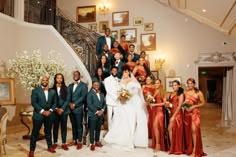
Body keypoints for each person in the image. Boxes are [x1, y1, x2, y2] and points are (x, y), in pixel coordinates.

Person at [104, 65, 148, 150]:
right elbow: (119, 92)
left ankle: (131, 139)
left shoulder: (133, 81)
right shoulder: (121, 81)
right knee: (121, 120)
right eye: (124, 72)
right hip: (122, 103)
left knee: (131, 120)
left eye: (127, 71)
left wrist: (127, 97)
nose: (125, 73)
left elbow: (135, 92)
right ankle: (120, 138)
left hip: (131, 103)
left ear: (129, 72)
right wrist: (121, 98)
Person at [28, 76, 57, 157]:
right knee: (35, 133)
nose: (44, 81)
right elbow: (34, 103)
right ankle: (32, 150)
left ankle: (50, 147)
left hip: (49, 115)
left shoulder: (53, 91)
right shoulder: (35, 91)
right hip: (38, 115)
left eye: (46, 80)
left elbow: (55, 103)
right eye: (43, 80)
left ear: (48, 81)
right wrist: (42, 111)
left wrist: (50, 111)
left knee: (48, 132)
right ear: (40, 81)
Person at [184, 78, 207, 157]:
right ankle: (190, 148)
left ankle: (195, 151)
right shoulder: (186, 92)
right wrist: (185, 107)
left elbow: (203, 103)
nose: (189, 85)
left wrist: (194, 106)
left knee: (194, 130)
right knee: (188, 131)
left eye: (191, 83)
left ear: (194, 84)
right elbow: (184, 102)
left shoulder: (199, 92)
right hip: (187, 114)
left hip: (195, 113)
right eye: (188, 83)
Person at [67, 71, 88, 149]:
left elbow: (83, 97)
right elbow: (67, 96)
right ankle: (74, 140)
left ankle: (79, 141)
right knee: (73, 125)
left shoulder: (83, 85)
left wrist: (74, 104)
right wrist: (69, 104)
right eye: (74, 74)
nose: (75, 76)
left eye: (77, 74)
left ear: (80, 76)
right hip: (70, 108)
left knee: (79, 125)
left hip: (78, 108)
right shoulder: (70, 85)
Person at [87, 80, 106, 151]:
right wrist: (97, 111)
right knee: (92, 129)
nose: (96, 86)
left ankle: (97, 141)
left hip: (100, 114)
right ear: (92, 85)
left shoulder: (102, 94)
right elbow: (89, 104)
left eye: (97, 85)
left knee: (98, 128)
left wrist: (102, 110)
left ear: (99, 86)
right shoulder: (90, 94)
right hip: (93, 114)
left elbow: (104, 104)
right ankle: (92, 143)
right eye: (95, 85)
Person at [52, 73, 69, 151]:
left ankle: (64, 143)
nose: (59, 79)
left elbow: (67, 100)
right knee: (55, 127)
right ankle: (55, 142)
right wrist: (56, 109)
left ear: (62, 79)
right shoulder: (51, 89)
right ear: (55, 79)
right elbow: (50, 101)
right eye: (58, 78)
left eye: (61, 78)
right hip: (55, 111)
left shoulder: (66, 88)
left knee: (63, 127)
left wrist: (62, 109)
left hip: (64, 111)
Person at [168, 80, 184, 155]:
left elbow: (180, 106)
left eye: (175, 85)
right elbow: (170, 103)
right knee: (171, 129)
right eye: (173, 85)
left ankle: (174, 147)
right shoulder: (172, 93)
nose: (174, 86)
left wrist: (174, 116)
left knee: (172, 129)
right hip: (171, 112)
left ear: (178, 85)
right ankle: (172, 146)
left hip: (177, 114)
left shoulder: (180, 94)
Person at [151, 79, 166, 152]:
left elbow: (164, 103)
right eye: (155, 83)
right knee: (155, 127)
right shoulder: (154, 91)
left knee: (155, 125)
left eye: (158, 83)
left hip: (159, 111)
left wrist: (155, 104)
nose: (156, 84)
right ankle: (157, 143)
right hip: (154, 110)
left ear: (160, 84)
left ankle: (158, 144)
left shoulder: (162, 91)